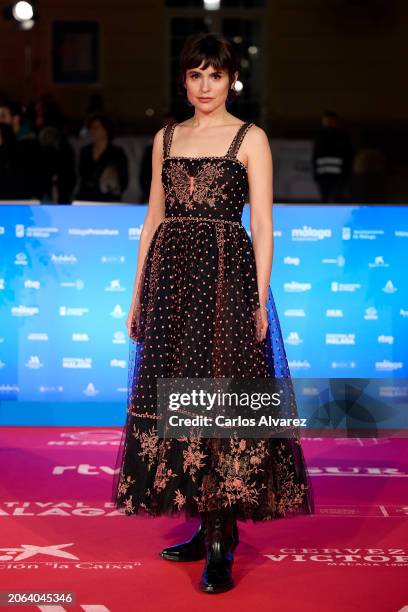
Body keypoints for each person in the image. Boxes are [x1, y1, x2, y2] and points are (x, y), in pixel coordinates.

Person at [112, 31, 314, 594]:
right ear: (184, 80)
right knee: (180, 398)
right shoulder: (166, 137)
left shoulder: (251, 138)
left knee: (220, 399)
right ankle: (204, 524)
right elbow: (153, 218)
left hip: (227, 281)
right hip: (172, 281)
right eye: (195, 75)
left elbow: (265, 224)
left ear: (231, 80)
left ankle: (223, 539)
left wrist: (259, 296)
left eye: (215, 75)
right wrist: (137, 296)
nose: (205, 86)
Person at [77, 112, 129, 202]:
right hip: (85, 198)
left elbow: (123, 180)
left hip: (108, 199)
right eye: (91, 128)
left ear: (106, 130)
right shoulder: (85, 151)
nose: (92, 131)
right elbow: (82, 176)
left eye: (96, 128)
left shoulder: (117, 152)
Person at [312, 110, 353, 203]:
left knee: (337, 200)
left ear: (335, 122)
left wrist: (346, 175)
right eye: (326, 121)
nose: (328, 123)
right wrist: (316, 174)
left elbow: (348, 156)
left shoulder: (343, 137)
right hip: (323, 176)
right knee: (325, 200)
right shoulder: (319, 137)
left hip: (339, 176)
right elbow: (315, 157)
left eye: (330, 121)